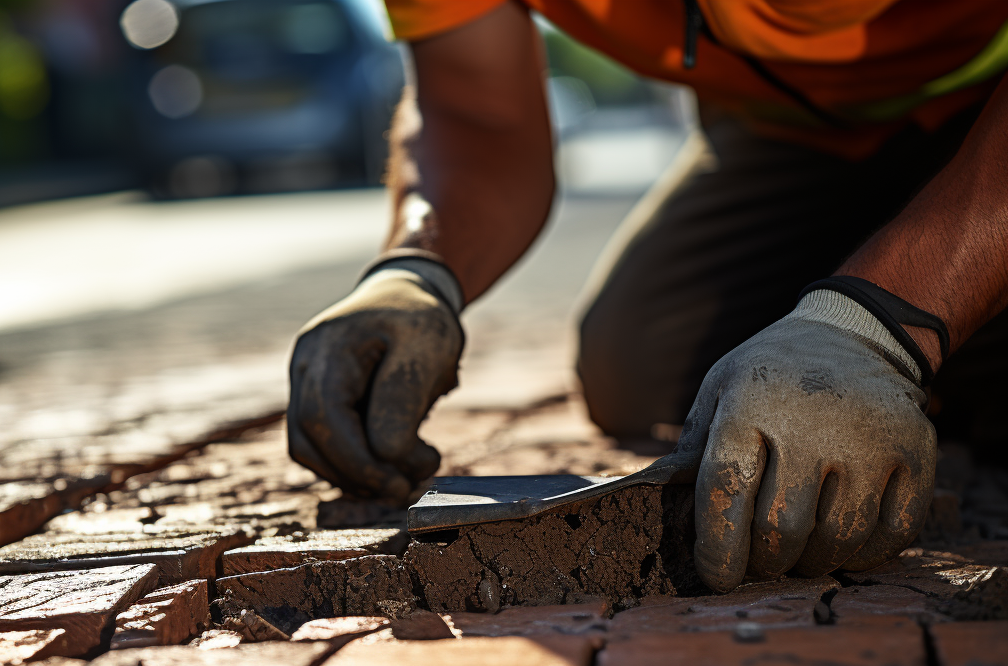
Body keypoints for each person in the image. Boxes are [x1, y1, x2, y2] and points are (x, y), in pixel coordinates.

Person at [287, 0, 1008, 592]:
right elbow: (478, 113)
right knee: (640, 361)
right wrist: (417, 272)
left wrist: (878, 327)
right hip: (789, 133)